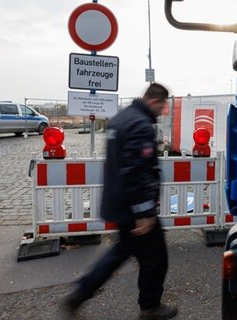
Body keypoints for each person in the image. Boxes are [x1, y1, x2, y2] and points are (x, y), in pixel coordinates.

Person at [63, 83, 177, 320]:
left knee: (120, 252)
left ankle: (80, 293)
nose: (163, 110)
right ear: (155, 101)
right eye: (163, 105)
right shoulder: (140, 125)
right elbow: (136, 172)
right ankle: (150, 307)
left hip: (119, 203)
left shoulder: (121, 118)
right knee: (156, 258)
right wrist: (144, 213)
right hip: (136, 209)